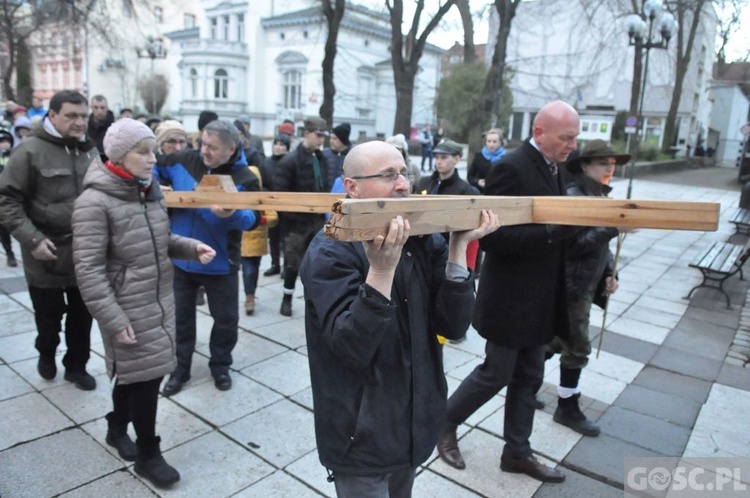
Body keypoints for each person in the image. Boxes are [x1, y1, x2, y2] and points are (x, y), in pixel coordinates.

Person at [301, 140, 499, 497]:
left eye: (404, 173)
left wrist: (457, 249)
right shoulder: (329, 250)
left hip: (413, 422)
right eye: (388, 175)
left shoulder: (422, 239)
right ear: (352, 188)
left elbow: (452, 327)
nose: (404, 184)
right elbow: (349, 347)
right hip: (359, 435)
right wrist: (380, 271)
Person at [437, 100, 582, 483]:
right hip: (509, 300)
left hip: (539, 299)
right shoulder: (510, 168)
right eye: (566, 137)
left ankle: (517, 452)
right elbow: (493, 238)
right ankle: (444, 423)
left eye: (575, 138)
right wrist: (554, 232)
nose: (572, 145)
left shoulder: (556, 167)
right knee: (495, 373)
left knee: (531, 374)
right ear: (540, 133)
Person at [71, 118, 216, 488]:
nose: (153, 159)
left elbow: (160, 239)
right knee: (147, 378)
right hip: (125, 306)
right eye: (143, 152)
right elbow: (88, 270)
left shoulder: (148, 190)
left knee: (137, 373)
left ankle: (116, 426)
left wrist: (190, 246)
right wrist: (114, 318)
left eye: (152, 151)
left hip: (156, 298)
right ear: (119, 155)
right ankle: (149, 454)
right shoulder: (94, 202)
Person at [0, 89, 98, 389]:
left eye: (83, 116)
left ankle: (76, 366)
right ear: (52, 115)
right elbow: (6, 200)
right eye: (71, 115)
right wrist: (32, 240)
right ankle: (46, 353)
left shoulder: (91, 150)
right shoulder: (29, 150)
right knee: (49, 319)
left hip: (85, 252)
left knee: (83, 317)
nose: (79, 122)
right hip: (46, 252)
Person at [157, 119, 260, 396]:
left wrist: (231, 214)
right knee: (180, 319)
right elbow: (151, 168)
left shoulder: (245, 178)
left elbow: (255, 219)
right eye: (203, 143)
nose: (205, 151)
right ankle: (179, 370)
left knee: (225, 320)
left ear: (231, 148)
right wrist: (155, 185)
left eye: (213, 147)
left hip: (221, 261)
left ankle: (220, 365)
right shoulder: (183, 160)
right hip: (181, 257)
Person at [546, 140, 634, 436]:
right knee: (577, 347)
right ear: (585, 166)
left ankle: (525, 382)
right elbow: (573, 247)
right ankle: (566, 406)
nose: (609, 169)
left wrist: (610, 272)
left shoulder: (597, 194)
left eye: (612, 164)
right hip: (572, 286)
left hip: (585, 282)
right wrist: (613, 227)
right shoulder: (576, 195)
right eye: (602, 163)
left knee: (554, 341)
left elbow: (601, 247)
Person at [273, 116, 330, 317]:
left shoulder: (322, 159)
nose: (321, 140)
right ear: (307, 134)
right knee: (292, 264)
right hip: (296, 224)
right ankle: (287, 299)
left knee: (316, 264)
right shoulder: (290, 161)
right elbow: (280, 194)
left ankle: (313, 302)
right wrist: (293, 218)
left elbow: (325, 187)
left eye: (323, 136)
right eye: (318, 135)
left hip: (317, 222)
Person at [417, 139, 480, 271]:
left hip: (447, 252)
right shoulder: (424, 182)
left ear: (457, 159)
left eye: (444, 157)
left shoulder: (465, 191)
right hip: (420, 248)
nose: (439, 161)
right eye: (436, 157)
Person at [241, 165, 278, 315]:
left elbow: (273, 217)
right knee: (247, 270)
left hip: (256, 241)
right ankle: (249, 297)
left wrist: (261, 220)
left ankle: (250, 294)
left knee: (252, 270)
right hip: (241, 241)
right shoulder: (238, 195)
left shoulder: (262, 197)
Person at [262, 134, 291, 277]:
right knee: (273, 236)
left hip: (286, 204)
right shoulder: (266, 162)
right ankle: (275, 264)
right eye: (276, 144)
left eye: (282, 145)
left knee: (286, 238)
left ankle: (287, 266)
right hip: (271, 204)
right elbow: (262, 183)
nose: (278, 147)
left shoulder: (289, 162)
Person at [467, 128, 506, 193]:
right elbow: (470, 176)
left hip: (499, 193)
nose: (491, 145)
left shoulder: (506, 158)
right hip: (481, 193)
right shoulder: (479, 156)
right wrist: (477, 182)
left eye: (494, 142)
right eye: (489, 141)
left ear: (500, 142)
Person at [0, 128, 17, 267]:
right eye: (1, 142)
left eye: (6, 141)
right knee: (3, 228)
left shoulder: (16, 155)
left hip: (15, 196)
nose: (4, 144)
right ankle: (9, 252)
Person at [323, 122, 352, 187]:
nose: (331, 141)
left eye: (334, 138)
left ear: (343, 140)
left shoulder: (352, 157)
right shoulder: (324, 154)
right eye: (331, 138)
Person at [88, 95, 115, 160]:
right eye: (96, 107)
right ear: (91, 108)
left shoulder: (115, 127)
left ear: (107, 108)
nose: (99, 111)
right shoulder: (86, 126)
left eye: (102, 108)